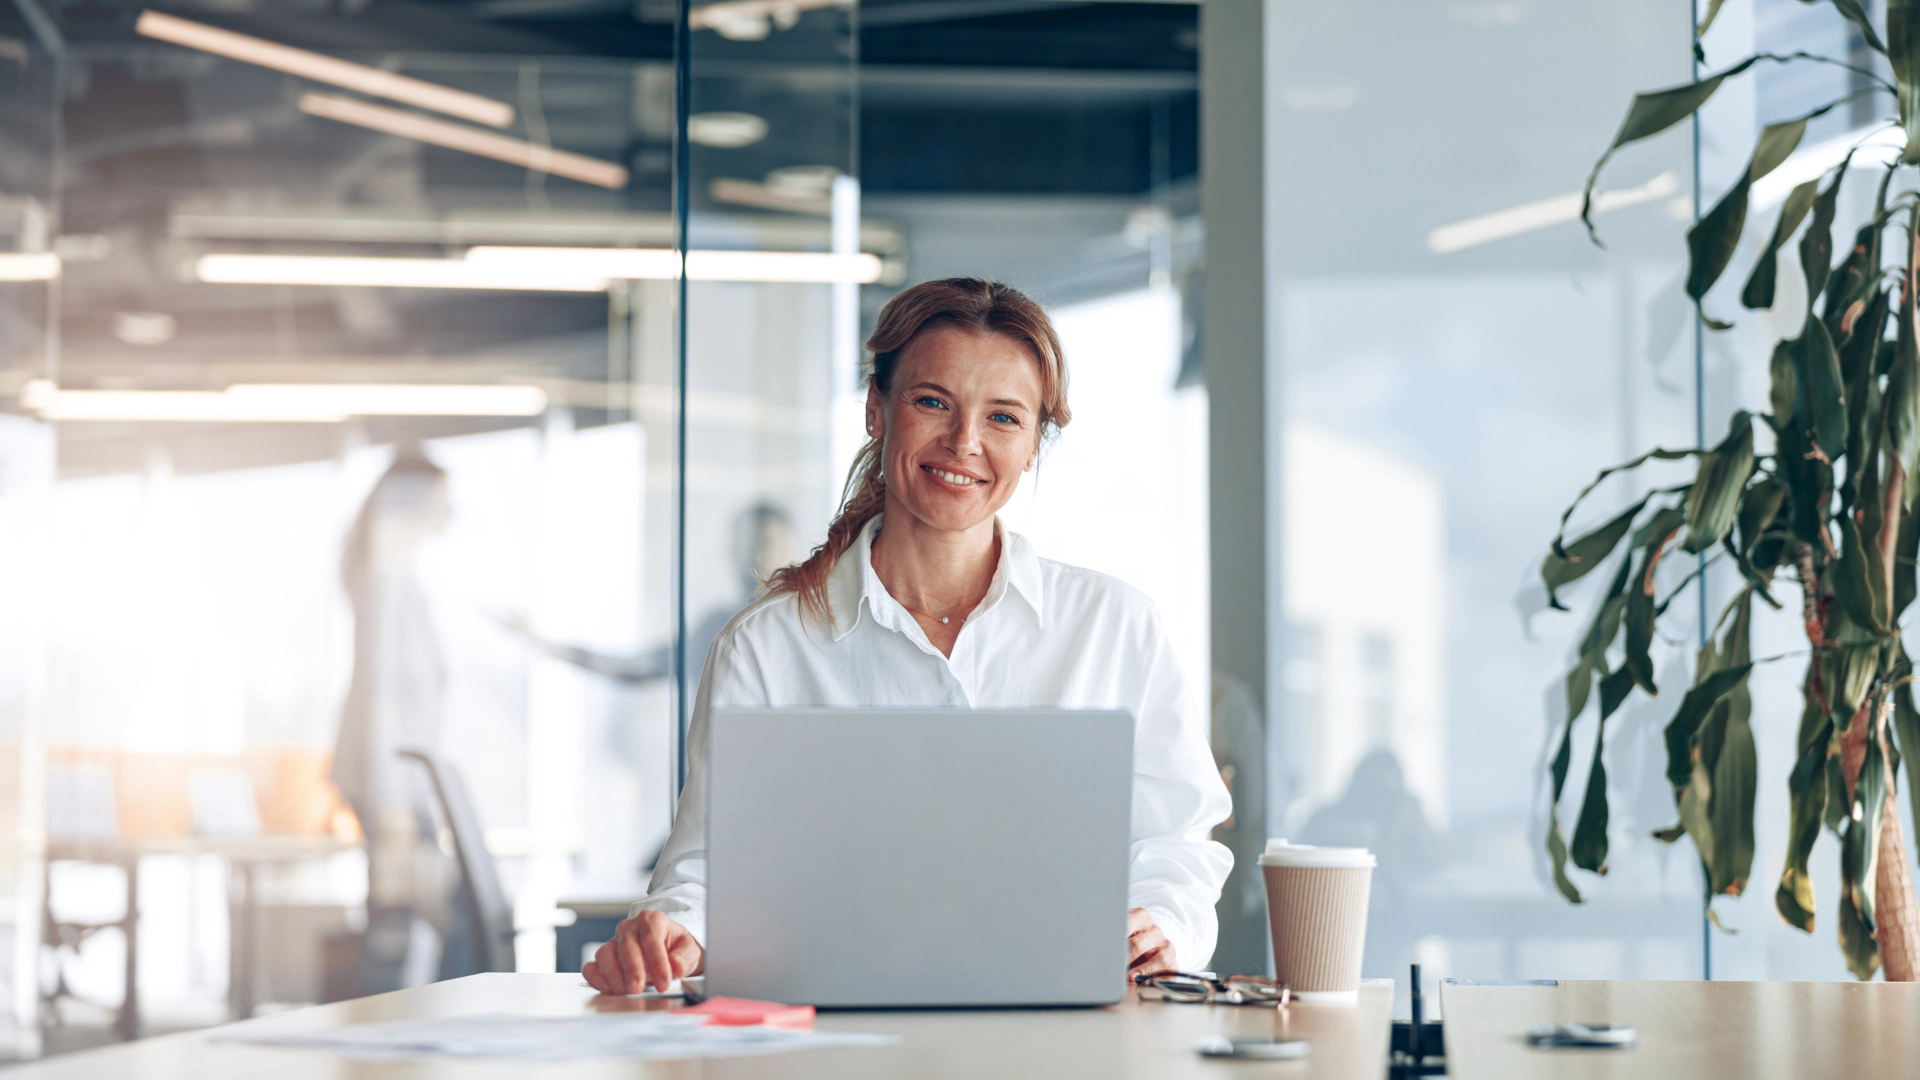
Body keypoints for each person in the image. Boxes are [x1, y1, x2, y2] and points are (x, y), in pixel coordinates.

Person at [583, 278, 1233, 995]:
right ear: (876, 410)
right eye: (933, 402)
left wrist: (1165, 921)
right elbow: (709, 864)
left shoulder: (1115, 628)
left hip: (1066, 1030)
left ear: (1034, 447)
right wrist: (675, 932)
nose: (964, 443)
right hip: (831, 1034)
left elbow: (1179, 839)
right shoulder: (767, 646)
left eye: (1005, 418)